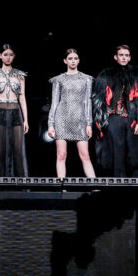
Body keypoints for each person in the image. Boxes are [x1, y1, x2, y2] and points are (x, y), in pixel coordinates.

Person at [92, 44, 138, 177]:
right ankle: (119, 185)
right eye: (121, 55)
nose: (124, 58)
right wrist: (104, 120)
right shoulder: (106, 75)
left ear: (129, 58)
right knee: (117, 156)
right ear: (115, 57)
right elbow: (99, 99)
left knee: (136, 155)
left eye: (126, 55)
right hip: (114, 118)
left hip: (133, 119)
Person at [48, 48, 95, 178]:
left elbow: (88, 102)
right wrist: (51, 124)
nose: (73, 61)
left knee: (85, 155)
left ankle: (95, 186)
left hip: (80, 119)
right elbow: (54, 102)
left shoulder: (86, 79)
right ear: (65, 61)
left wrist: (89, 123)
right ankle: (61, 185)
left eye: (75, 58)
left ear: (79, 60)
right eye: (70, 58)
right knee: (61, 155)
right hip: (62, 119)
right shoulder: (58, 79)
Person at [0, 44, 28, 176]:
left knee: (18, 150)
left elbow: (22, 97)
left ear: (14, 56)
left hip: (15, 111)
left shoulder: (20, 75)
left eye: (10, 55)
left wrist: (26, 120)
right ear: (0, 56)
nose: (8, 57)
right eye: (5, 55)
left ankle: (21, 182)